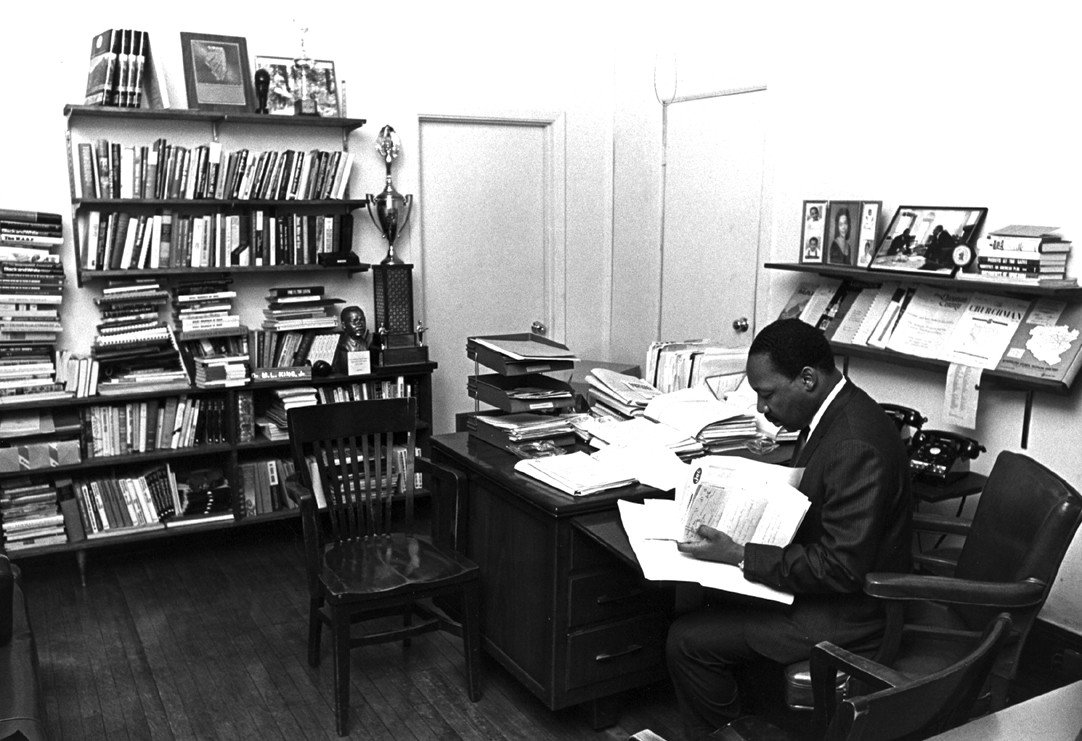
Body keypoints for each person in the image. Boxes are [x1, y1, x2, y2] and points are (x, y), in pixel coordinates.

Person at [666, 318, 912, 740]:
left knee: (686, 639)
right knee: (696, 597)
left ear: (808, 379)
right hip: (824, 593)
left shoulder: (854, 444)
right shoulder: (833, 412)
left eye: (767, 395)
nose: (762, 409)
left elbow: (841, 567)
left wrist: (740, 553)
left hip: (846, 616)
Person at [333, 305, 371, 372]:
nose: (360, 324)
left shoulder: (367, 343)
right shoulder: (343, 346)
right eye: (354, 321)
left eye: (362, 320)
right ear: (344, 325)